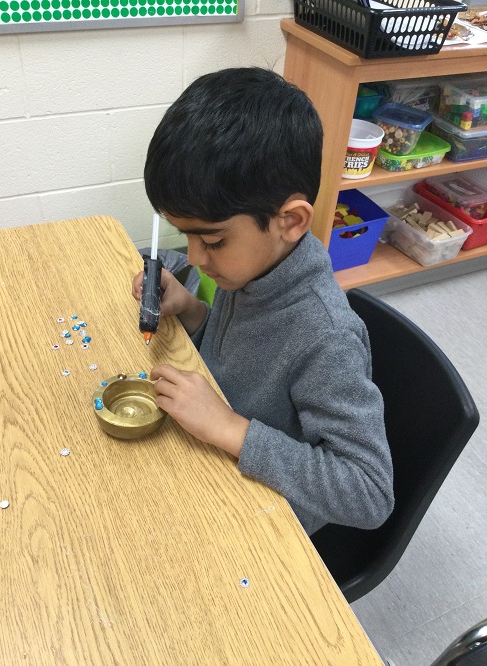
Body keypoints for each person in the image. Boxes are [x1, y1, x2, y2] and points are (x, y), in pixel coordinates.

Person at [132, 67, 394, 537]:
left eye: (211, 241)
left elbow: (369, 491)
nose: (195, 257)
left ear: (290, 221)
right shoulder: (255, 267)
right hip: (217, 460)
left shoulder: (326, 337)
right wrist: (190, 308)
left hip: (269, 520)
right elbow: (238, 357)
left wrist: (230, 428)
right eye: (186, 237)